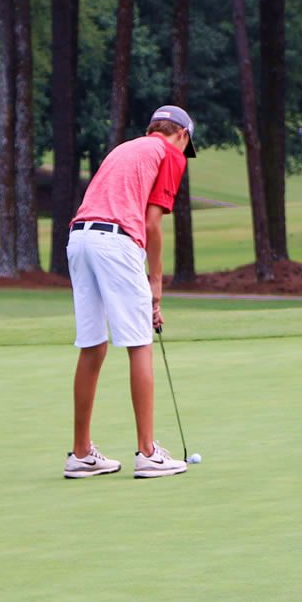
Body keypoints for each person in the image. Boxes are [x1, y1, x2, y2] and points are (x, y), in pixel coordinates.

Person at [61, 105, 198, 480]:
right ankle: (148, 453)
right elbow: (152, 224)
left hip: (79, 239)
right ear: (182, 135)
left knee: (93, 345)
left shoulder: (125, 148)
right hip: (116, 243)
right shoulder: (170, 153)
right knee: (139, 343)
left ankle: (81, 454)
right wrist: (156, 285)